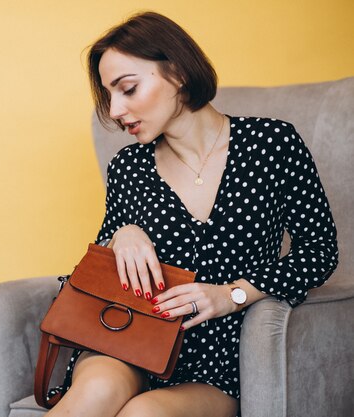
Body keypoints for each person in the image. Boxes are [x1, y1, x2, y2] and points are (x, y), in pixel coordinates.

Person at [45, 11, 339, 417]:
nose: (114, 110)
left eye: (127, 89)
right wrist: (123, 233)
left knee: (145, 414)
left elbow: (319, 252)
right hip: (129, 338)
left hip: (216, 361)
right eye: (108, 96)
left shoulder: (273, 144)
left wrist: (233, 294)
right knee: (93, 393)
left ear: (178, 73)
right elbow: (104, 268)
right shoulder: (129, 167)